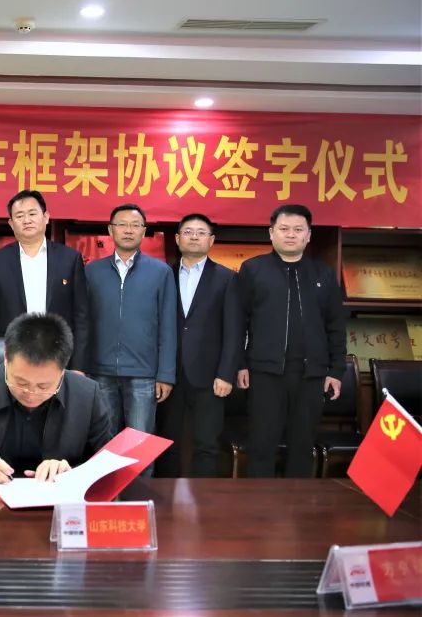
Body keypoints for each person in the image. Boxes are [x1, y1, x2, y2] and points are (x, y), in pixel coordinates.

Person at [0, 312, 113, 482]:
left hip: (56, 504)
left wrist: (71, 472)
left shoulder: (87, 395)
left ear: (63, 370)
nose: (31, 394)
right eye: (21, 383)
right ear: (6, 357)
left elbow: (109, 463)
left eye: (43, 386)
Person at [236, 204, 346, 478]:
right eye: (284, 229)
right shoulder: (253, 270)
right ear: (271, 233)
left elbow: (335, 326)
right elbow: (238, 322)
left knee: (302, 447)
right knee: (262, 445)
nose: (291, 235)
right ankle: (260, 503)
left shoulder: (323, 274)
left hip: (311, 376)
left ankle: (298, 504)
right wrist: (240, 364)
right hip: (265, 373)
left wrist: (336, 370)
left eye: (298, 230)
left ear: (308, 235)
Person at [85, 203, 176, 452]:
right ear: (110, 230)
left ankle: (141, 482)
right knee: (103, 445)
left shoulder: (161, 272)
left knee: (139, 447)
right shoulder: (92, 271)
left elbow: (168, 326)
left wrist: (165, 374)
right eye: (122, 224)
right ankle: (106, 482)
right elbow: (83, 323)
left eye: (135, 225)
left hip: (143, 374)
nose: (128, 230)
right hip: (99, 372)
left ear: (143, 231)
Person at [156, 214, 241, 478]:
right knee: (166, 443)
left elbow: (234, 330)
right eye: (188, 231)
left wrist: (226, 373)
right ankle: (165, 498)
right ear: (177, 238)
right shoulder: (163, 275)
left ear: (211, 240)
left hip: (210, 376)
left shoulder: (227, 278)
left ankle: (205, 500)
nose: (194, 236)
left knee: (207, 445)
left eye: (201, 232)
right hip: (169, 375)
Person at [0, 190, 89, 372]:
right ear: (11, 223)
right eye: (19, 216)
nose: (27, 220)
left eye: (32, 214)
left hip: (58, 355)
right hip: (11, 356)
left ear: (46, 217)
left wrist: (78, 367)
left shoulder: (70, 259)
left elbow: (81, 317)